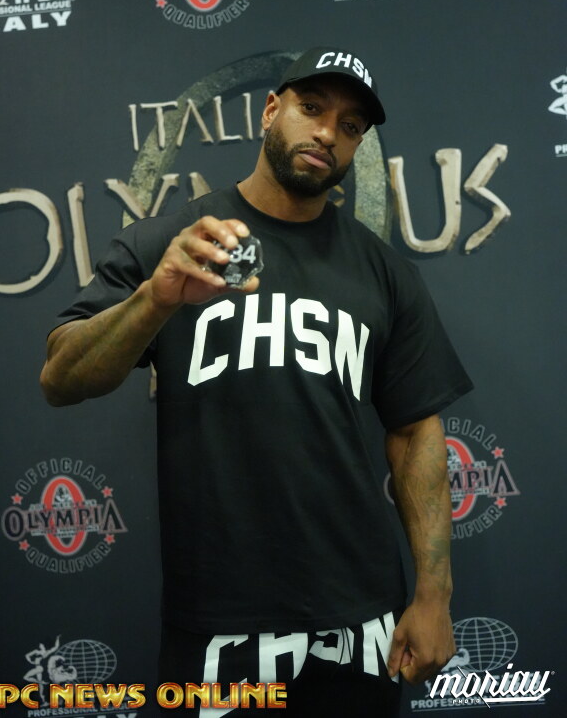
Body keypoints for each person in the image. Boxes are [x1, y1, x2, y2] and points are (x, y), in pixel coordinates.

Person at [41, 46, 473, 716]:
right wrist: (155, 299)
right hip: (220, 622)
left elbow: (416, 430)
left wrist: (434, 596)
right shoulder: (174, 244)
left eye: (350, 125)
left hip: (360, 619)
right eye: (311, 108)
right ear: (271, 111)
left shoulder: (384, 272)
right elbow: (61, 377)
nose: (327, 132)